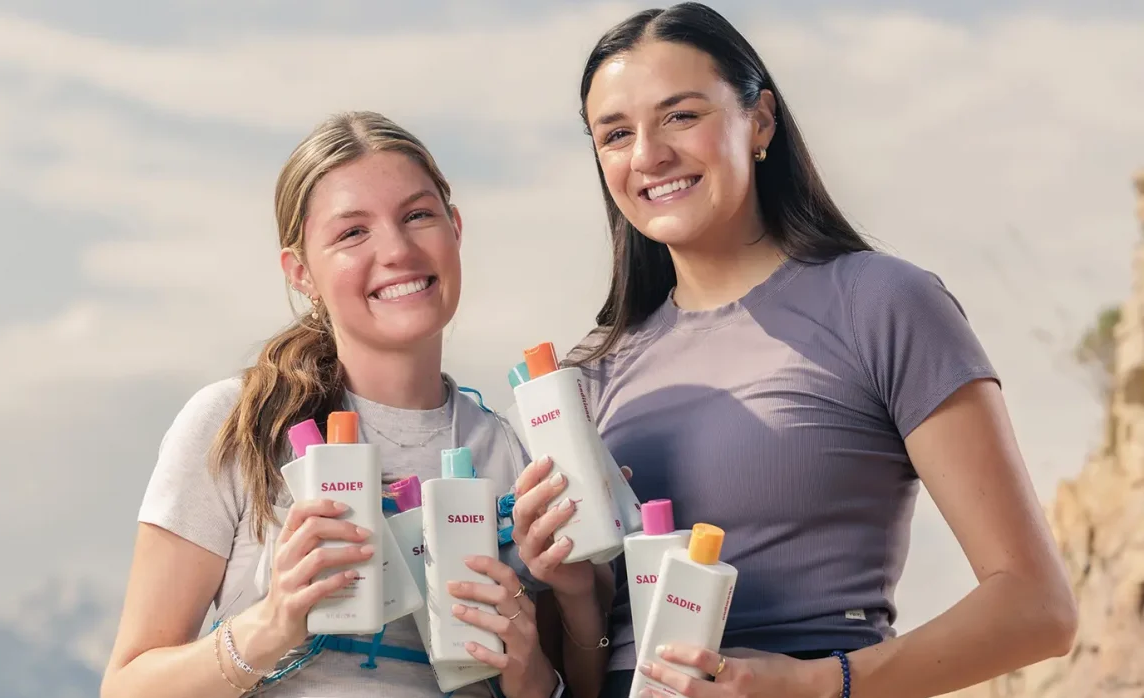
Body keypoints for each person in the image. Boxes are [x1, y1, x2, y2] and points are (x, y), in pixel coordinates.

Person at [516, 4, 1079, 698]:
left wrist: (814, 684)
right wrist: (573, 595)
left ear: (760, 121)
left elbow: (1036, 609)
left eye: (681, 116)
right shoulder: (589, 375)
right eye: (615, 134)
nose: (647, 154)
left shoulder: (880, 304)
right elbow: (580, 668)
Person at [100, 111, 609, 698]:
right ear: (301, 273)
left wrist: (537, 669)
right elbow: (126, 686)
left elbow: (563, 681)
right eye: (351, 232)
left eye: (418, 215)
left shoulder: (519, 456)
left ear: (456, 230)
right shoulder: (234, 427)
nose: (396, 249)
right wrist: (274, 621)